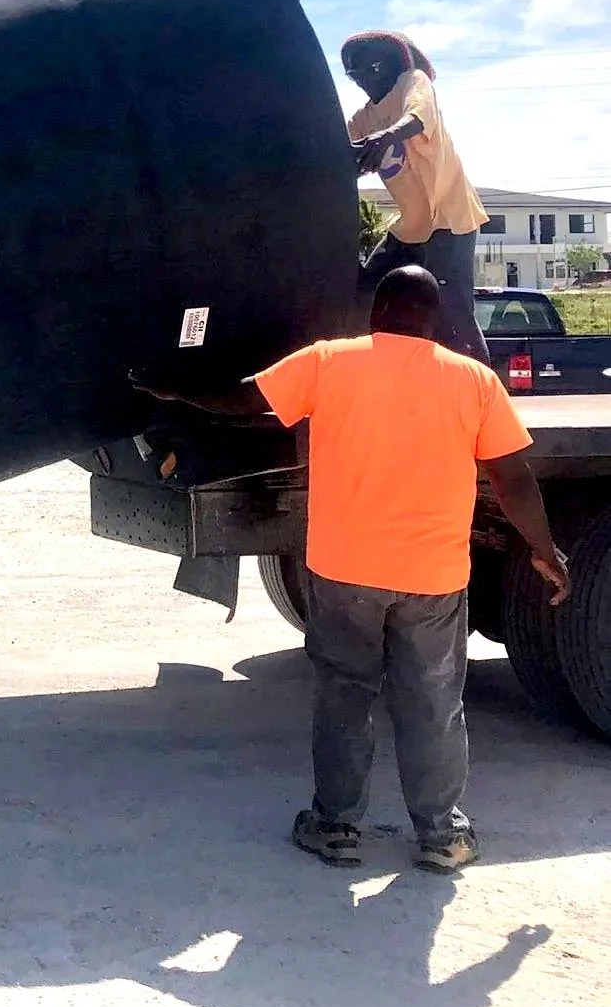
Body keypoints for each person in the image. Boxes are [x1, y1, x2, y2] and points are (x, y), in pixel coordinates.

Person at [133, 266, 568, 874]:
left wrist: (177, 389)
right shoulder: (473, 380)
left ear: (376, 313)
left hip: (344, 571)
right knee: (433, 703)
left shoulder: (329, 361)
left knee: (346, 695)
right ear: (436, 321)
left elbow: (244, 400)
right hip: (433, 576)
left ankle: (335, 826)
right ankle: (441, 835)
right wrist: (544, 550)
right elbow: (513, 477)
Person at [344, 30, 491, 363]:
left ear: (389, 65)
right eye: (352, 74)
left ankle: (487, 396)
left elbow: (417, 118)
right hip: (410, 226)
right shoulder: (364, 116)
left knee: (454, 312)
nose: (360, 80)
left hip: (449, 219)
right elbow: (338, 147)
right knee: (368, 292)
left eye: (367, 69)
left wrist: (383, 138)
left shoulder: (413, 82)